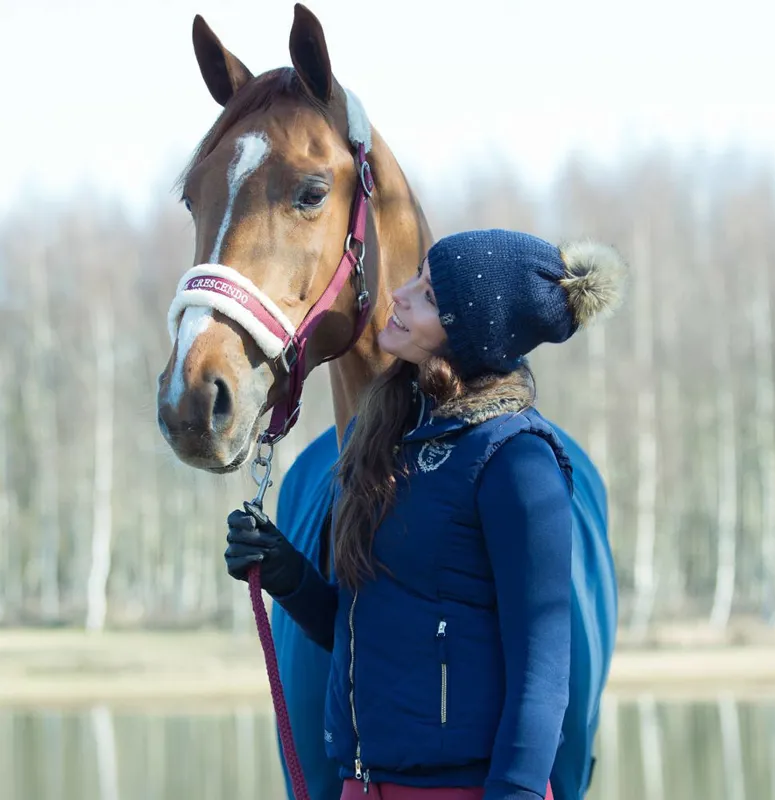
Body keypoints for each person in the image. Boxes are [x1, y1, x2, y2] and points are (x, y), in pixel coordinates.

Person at [225, 229, 626, 800]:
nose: (400, 295)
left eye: (430, 296)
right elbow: (366, 633)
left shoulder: (517, 463)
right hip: (363, 785)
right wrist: (287, 574)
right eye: (417, 276)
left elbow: (541, 677)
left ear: (473, 332)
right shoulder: (383, 439)